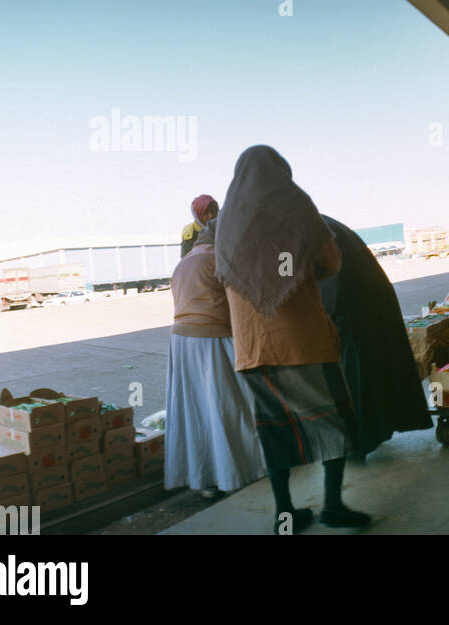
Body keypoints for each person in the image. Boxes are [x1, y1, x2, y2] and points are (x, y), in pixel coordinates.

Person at [214, 145, 369, 534]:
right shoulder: (294, 203)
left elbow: (225, 277)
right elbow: (330, 262)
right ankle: (333, 505)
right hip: (302, 342)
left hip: (252, 350)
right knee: (334, 423)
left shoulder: (227, 221)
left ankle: (285, 514)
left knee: (274, 433)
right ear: (281, 170)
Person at [164, 219, 266, 498]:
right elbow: (244, 307)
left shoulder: (184, 263)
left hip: (182, 342)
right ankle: (236, 473)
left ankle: (204, 478)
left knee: (197, 410)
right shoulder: (220, 259)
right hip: (212, 340)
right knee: (231, 406)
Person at [317, 215, 432, 459]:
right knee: (372, 365)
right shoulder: (315, 222)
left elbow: (293, 275)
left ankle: (360, 440)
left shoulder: (300, 229)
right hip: (364, 298)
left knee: (354, 371)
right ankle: (378, 428)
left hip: (351, 303)